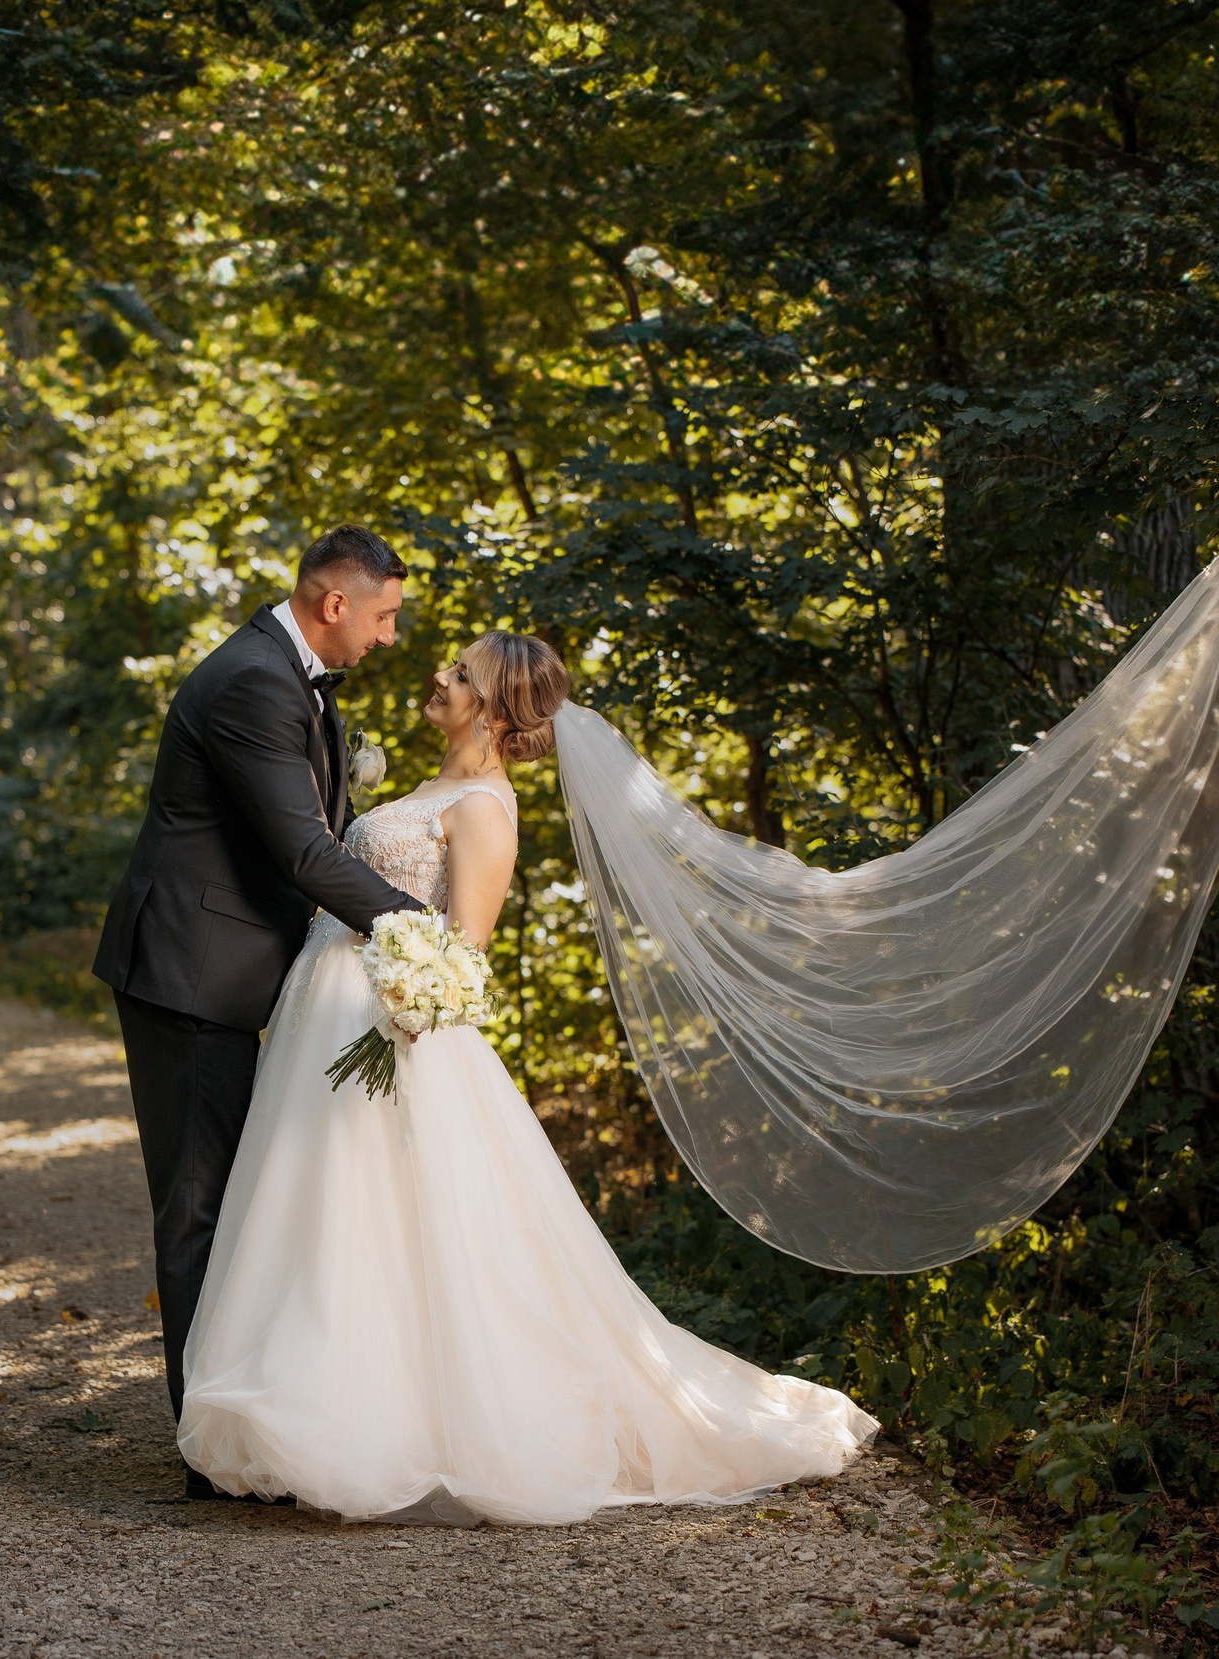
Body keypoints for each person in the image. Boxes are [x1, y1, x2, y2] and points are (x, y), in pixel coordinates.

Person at [177, 630, 876, 1524]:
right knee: (318, 1211)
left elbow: (462, 947)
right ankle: (303, 1411)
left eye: (460, 674)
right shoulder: (432, 786)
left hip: (389, 1025)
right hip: (329, 1006)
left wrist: (408, 1004)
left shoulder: (485, 807)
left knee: (382, 1222)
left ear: (498, 712)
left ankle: (389, 1427)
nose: (440, 674)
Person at [91, 525, 425, 1499]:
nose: (390, 634)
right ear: (334, 605)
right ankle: (208, 1449)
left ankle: (235, 1422)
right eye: (384, 614)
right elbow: (305, 855)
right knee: (200, 1206)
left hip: (225, 969)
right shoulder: (255, 681)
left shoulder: (289, 676)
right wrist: (422, 932)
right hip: (188, 974)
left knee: (233, 1201)